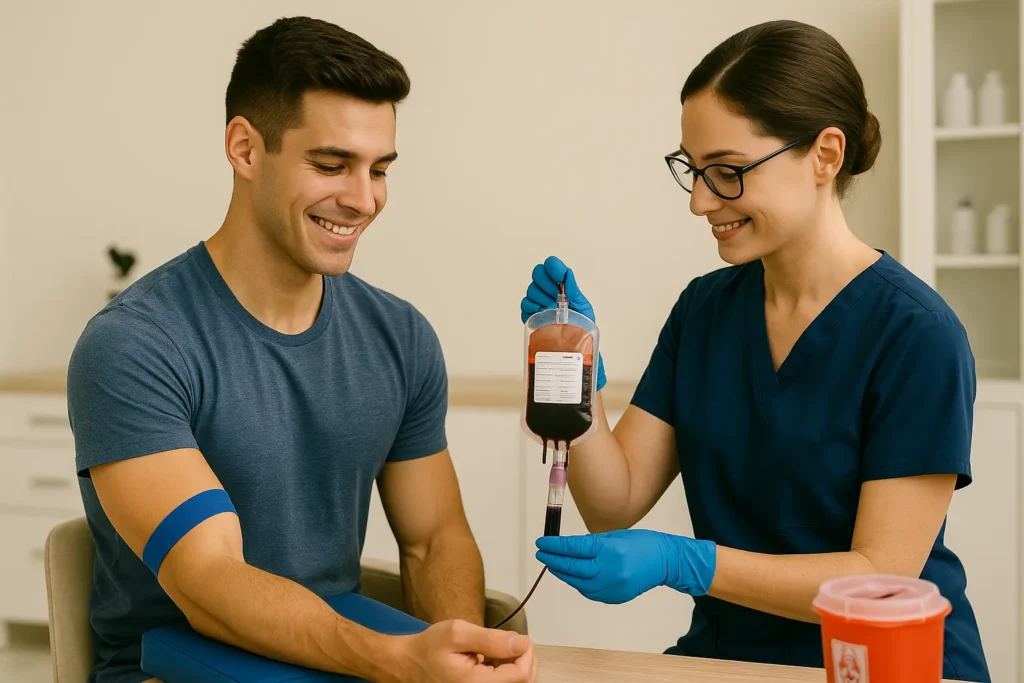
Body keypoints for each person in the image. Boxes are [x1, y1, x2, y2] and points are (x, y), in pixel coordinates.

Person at [67, 16, 535, 683]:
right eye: (331, 164)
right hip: (170, 664)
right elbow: (208, 580)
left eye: (379, 169)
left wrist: (451, 654)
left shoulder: (399, 337)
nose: (363, 198)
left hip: (336, 649)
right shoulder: (134, 344)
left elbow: (435, 541)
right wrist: (396, 659)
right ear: (246, 149)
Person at [520, 19, 989, 683]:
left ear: (825, 155)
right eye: (693, 169)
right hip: (727, 657)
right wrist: (578, 363)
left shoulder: (916, 334)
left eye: (728, 172)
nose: (700, 201)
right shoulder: (705, 310)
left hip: (877, 664)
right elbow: (614, 499)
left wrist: (687, 561)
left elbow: (878, 575)